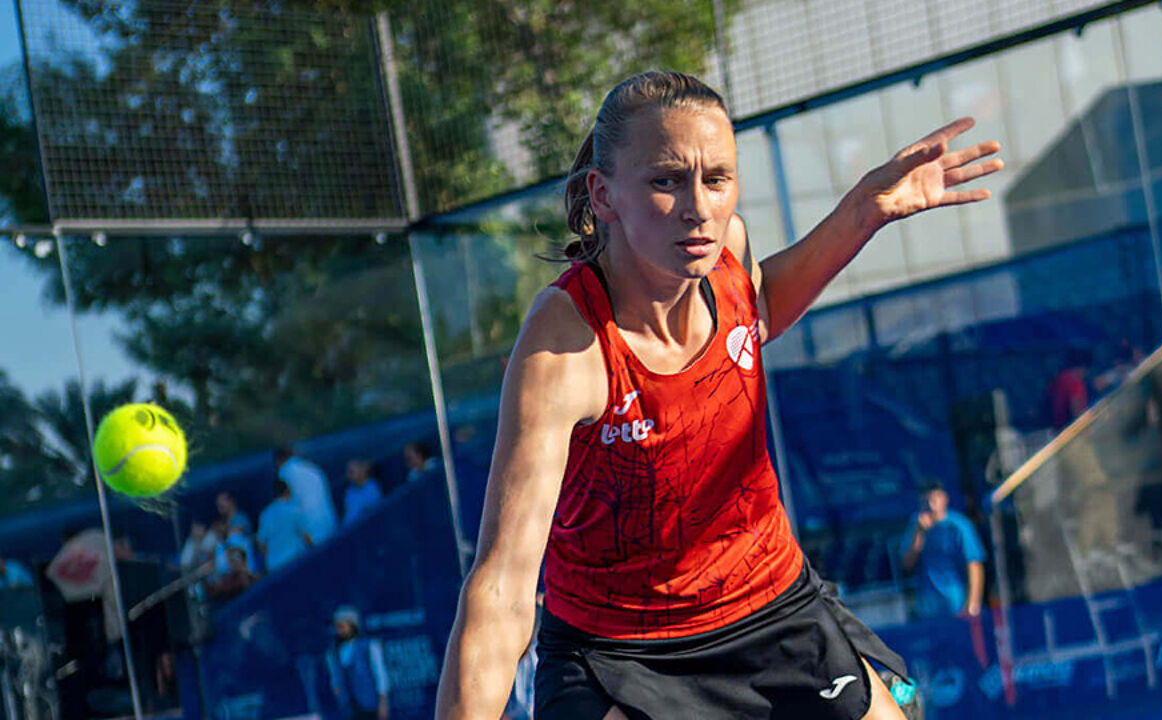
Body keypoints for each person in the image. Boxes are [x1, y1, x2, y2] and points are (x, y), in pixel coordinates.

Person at [436, 71, 1001, 719]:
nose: (698, 207)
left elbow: (755, 313)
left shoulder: (726, 253)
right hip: (621, 652)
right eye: (665, 180)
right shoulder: (564, 347)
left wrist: (861, 213)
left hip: (773, 607)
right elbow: (502, 590)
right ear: (604, 193)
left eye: (717, 179)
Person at [899, 481, 987, 619]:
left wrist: (972, 606)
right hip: (928, 609)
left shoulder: (959, 526)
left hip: (956, 605)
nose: (930, 505)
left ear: (944, 499)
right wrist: (919, 533)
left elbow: (974, 566)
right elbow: (907, 564)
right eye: (925, 501)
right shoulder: (915, 525)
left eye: (934, 500)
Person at [327, 606, 390, 720]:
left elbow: (380, 674)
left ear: (352, 626)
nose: (339, 630)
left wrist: (383, 702)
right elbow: (336, 678)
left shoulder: (369, 646)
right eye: (337, 627)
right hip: (349, 708)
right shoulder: (335, 652)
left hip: (369, 704)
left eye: (342, 626)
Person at [275, 447, 338, 544]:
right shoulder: (313, 469)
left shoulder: (284, 473)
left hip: (310, 534)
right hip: (330, 525)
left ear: (278, 461)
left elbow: (288, 508)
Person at [257, 479, 313, 572]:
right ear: (288, 491)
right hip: (294, 562)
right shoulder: (294, 511)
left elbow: (262, 544)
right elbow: (306, 537)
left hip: (274, 566)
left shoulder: (265, 515)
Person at [343, 459, 384, 525]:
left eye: (351, 472)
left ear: (362, 470)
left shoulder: (372, 489)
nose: (348, 475)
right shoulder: (350, 492)